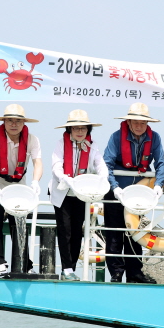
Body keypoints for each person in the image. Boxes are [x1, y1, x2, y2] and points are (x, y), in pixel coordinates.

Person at [103, 103, 164, 283]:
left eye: (143, 123)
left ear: (147, 123)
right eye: (135, 122)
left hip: (139, 193)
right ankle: (116, 273)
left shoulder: (154, 138)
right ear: (128, 122)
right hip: (116, 191)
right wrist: (115, 188)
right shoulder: (116, 137)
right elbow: (106, 164)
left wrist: (158, 186)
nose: (139, 126)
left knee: (136, 234)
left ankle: (134, 273)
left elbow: (161, 163)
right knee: (114, 233)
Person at [49, 109, 108, 281]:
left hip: (81, 194)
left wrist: (103, 177)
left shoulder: (93, 145)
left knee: (76, 231)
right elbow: (56, 165)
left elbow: (100, 164)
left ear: (88, 129)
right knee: (65, 230)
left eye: (83, 128)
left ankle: (71, 269)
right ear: (70, 130)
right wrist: (65, 178)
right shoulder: (61, 144)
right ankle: (66, 268)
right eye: (76, 128)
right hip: (62, 192)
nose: (80, 131)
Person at [0, 104, 43, 277]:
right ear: (4, 122)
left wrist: (35, 181)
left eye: (18, 121)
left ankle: (25, 264)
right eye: (10, 120)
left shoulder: (32, 139)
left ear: (24, 122)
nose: (14, 124)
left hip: (19, 187)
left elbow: (38, 163)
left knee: (19, 226)